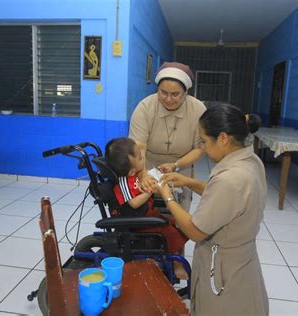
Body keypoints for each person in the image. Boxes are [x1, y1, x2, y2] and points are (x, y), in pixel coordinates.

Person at [157, 104, 269, 315]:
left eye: (205, 141)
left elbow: (195, 230)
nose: (203, 147)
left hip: (224, 267)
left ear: (223, 138)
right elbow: (228, 201)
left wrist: (168, 197)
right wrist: (189, 182)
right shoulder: (251, 161)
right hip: (243, 258)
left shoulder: (230, 179)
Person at [105, 137, 189, 279]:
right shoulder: (123, 183)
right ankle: (176, 262)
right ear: (131, 172)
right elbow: (134, 203)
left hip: (147, 212)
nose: (143, 158)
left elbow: (141, 148)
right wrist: (149, 191)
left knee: (174, 221)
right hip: (137, 221)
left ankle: (174, 253)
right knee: (169, 231)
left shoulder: (134, 174)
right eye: (140, 158)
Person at [129, 62, 206, 212]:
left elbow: (200, 148)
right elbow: (139, 147)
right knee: (147, 211)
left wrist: (176, 165)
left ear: (186, 92)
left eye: (175, 94)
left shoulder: (198, 110)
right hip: (147, 164)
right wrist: (143, 174)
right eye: (163, 93)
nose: (168, 99)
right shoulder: (145, 107)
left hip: (182, 167)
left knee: (179, 213)